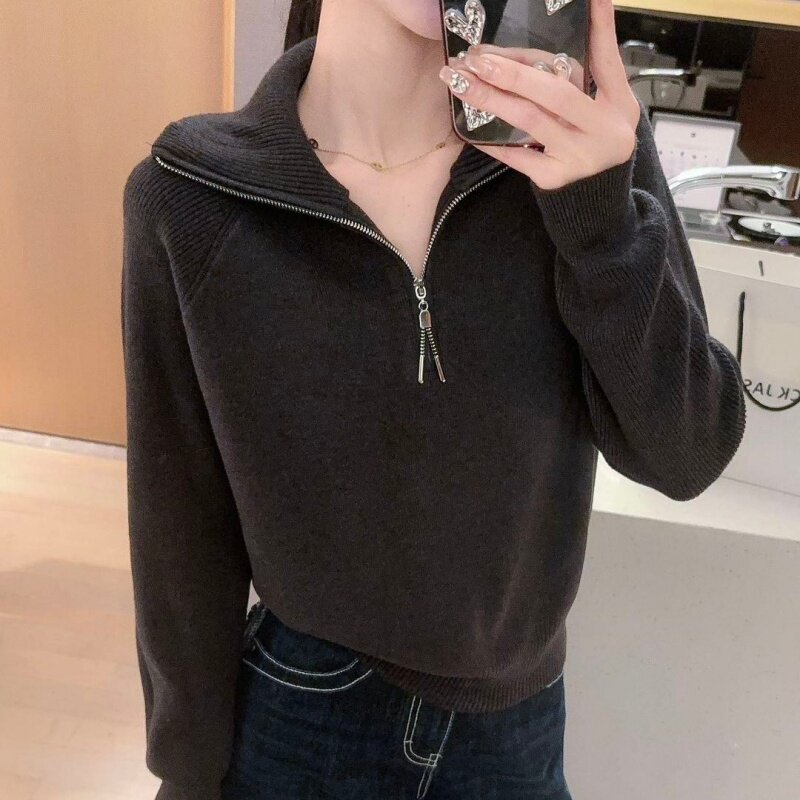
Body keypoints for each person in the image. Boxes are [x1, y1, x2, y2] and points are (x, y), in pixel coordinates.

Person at [120, 0, 746, 798]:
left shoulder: (575, 147)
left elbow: (687, 454)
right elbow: (179, 527)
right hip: (301, 716)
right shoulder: (192, 195)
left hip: (516, 733)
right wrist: (185, 772)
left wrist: (599, 221)